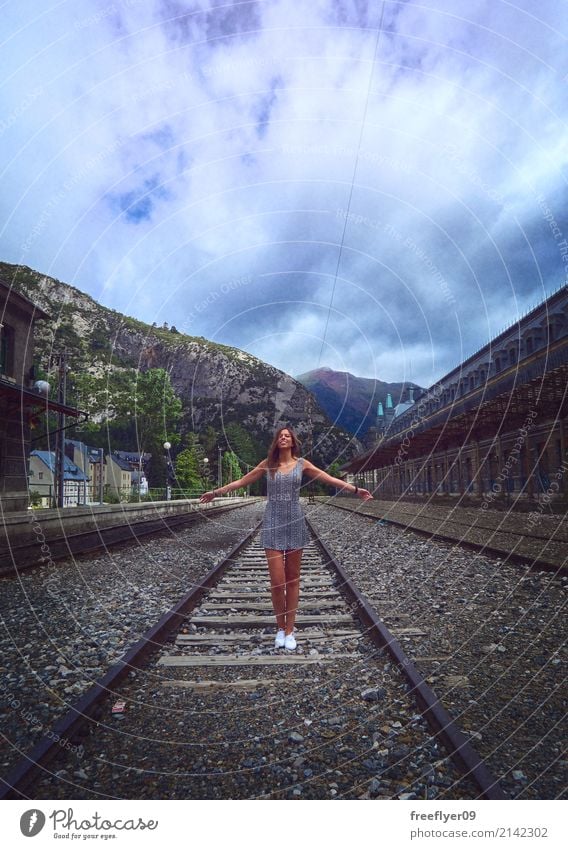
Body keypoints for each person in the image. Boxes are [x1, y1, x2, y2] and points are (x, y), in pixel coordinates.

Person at [200, 426, 373, 650]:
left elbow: (329, 479)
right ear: (276, 441)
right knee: (276, 582)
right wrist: (216, 492)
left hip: (295, 522)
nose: (283, 438)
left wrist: (355, 489)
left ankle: (290, 631)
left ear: (292, 442)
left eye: (287, 436)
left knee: (292, 580)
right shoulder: (267, 464)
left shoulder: (302, 464)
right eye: (280, 436)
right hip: (272, 522)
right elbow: (242, 482)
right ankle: (280, 627)